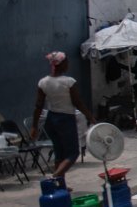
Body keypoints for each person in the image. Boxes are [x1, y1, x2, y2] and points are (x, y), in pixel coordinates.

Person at [30, 51, 95, 184]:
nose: (68, 64)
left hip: (51, 120)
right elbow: (78, 103)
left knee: (59, 153)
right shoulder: (69, 82)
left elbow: (38, 106)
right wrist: (90, 117)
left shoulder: (43, 82)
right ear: (62, 64)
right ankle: (54, 178)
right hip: (65, 120)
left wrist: (34, 126)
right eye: (67, 62)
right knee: (73, 153)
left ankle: (60, 186)